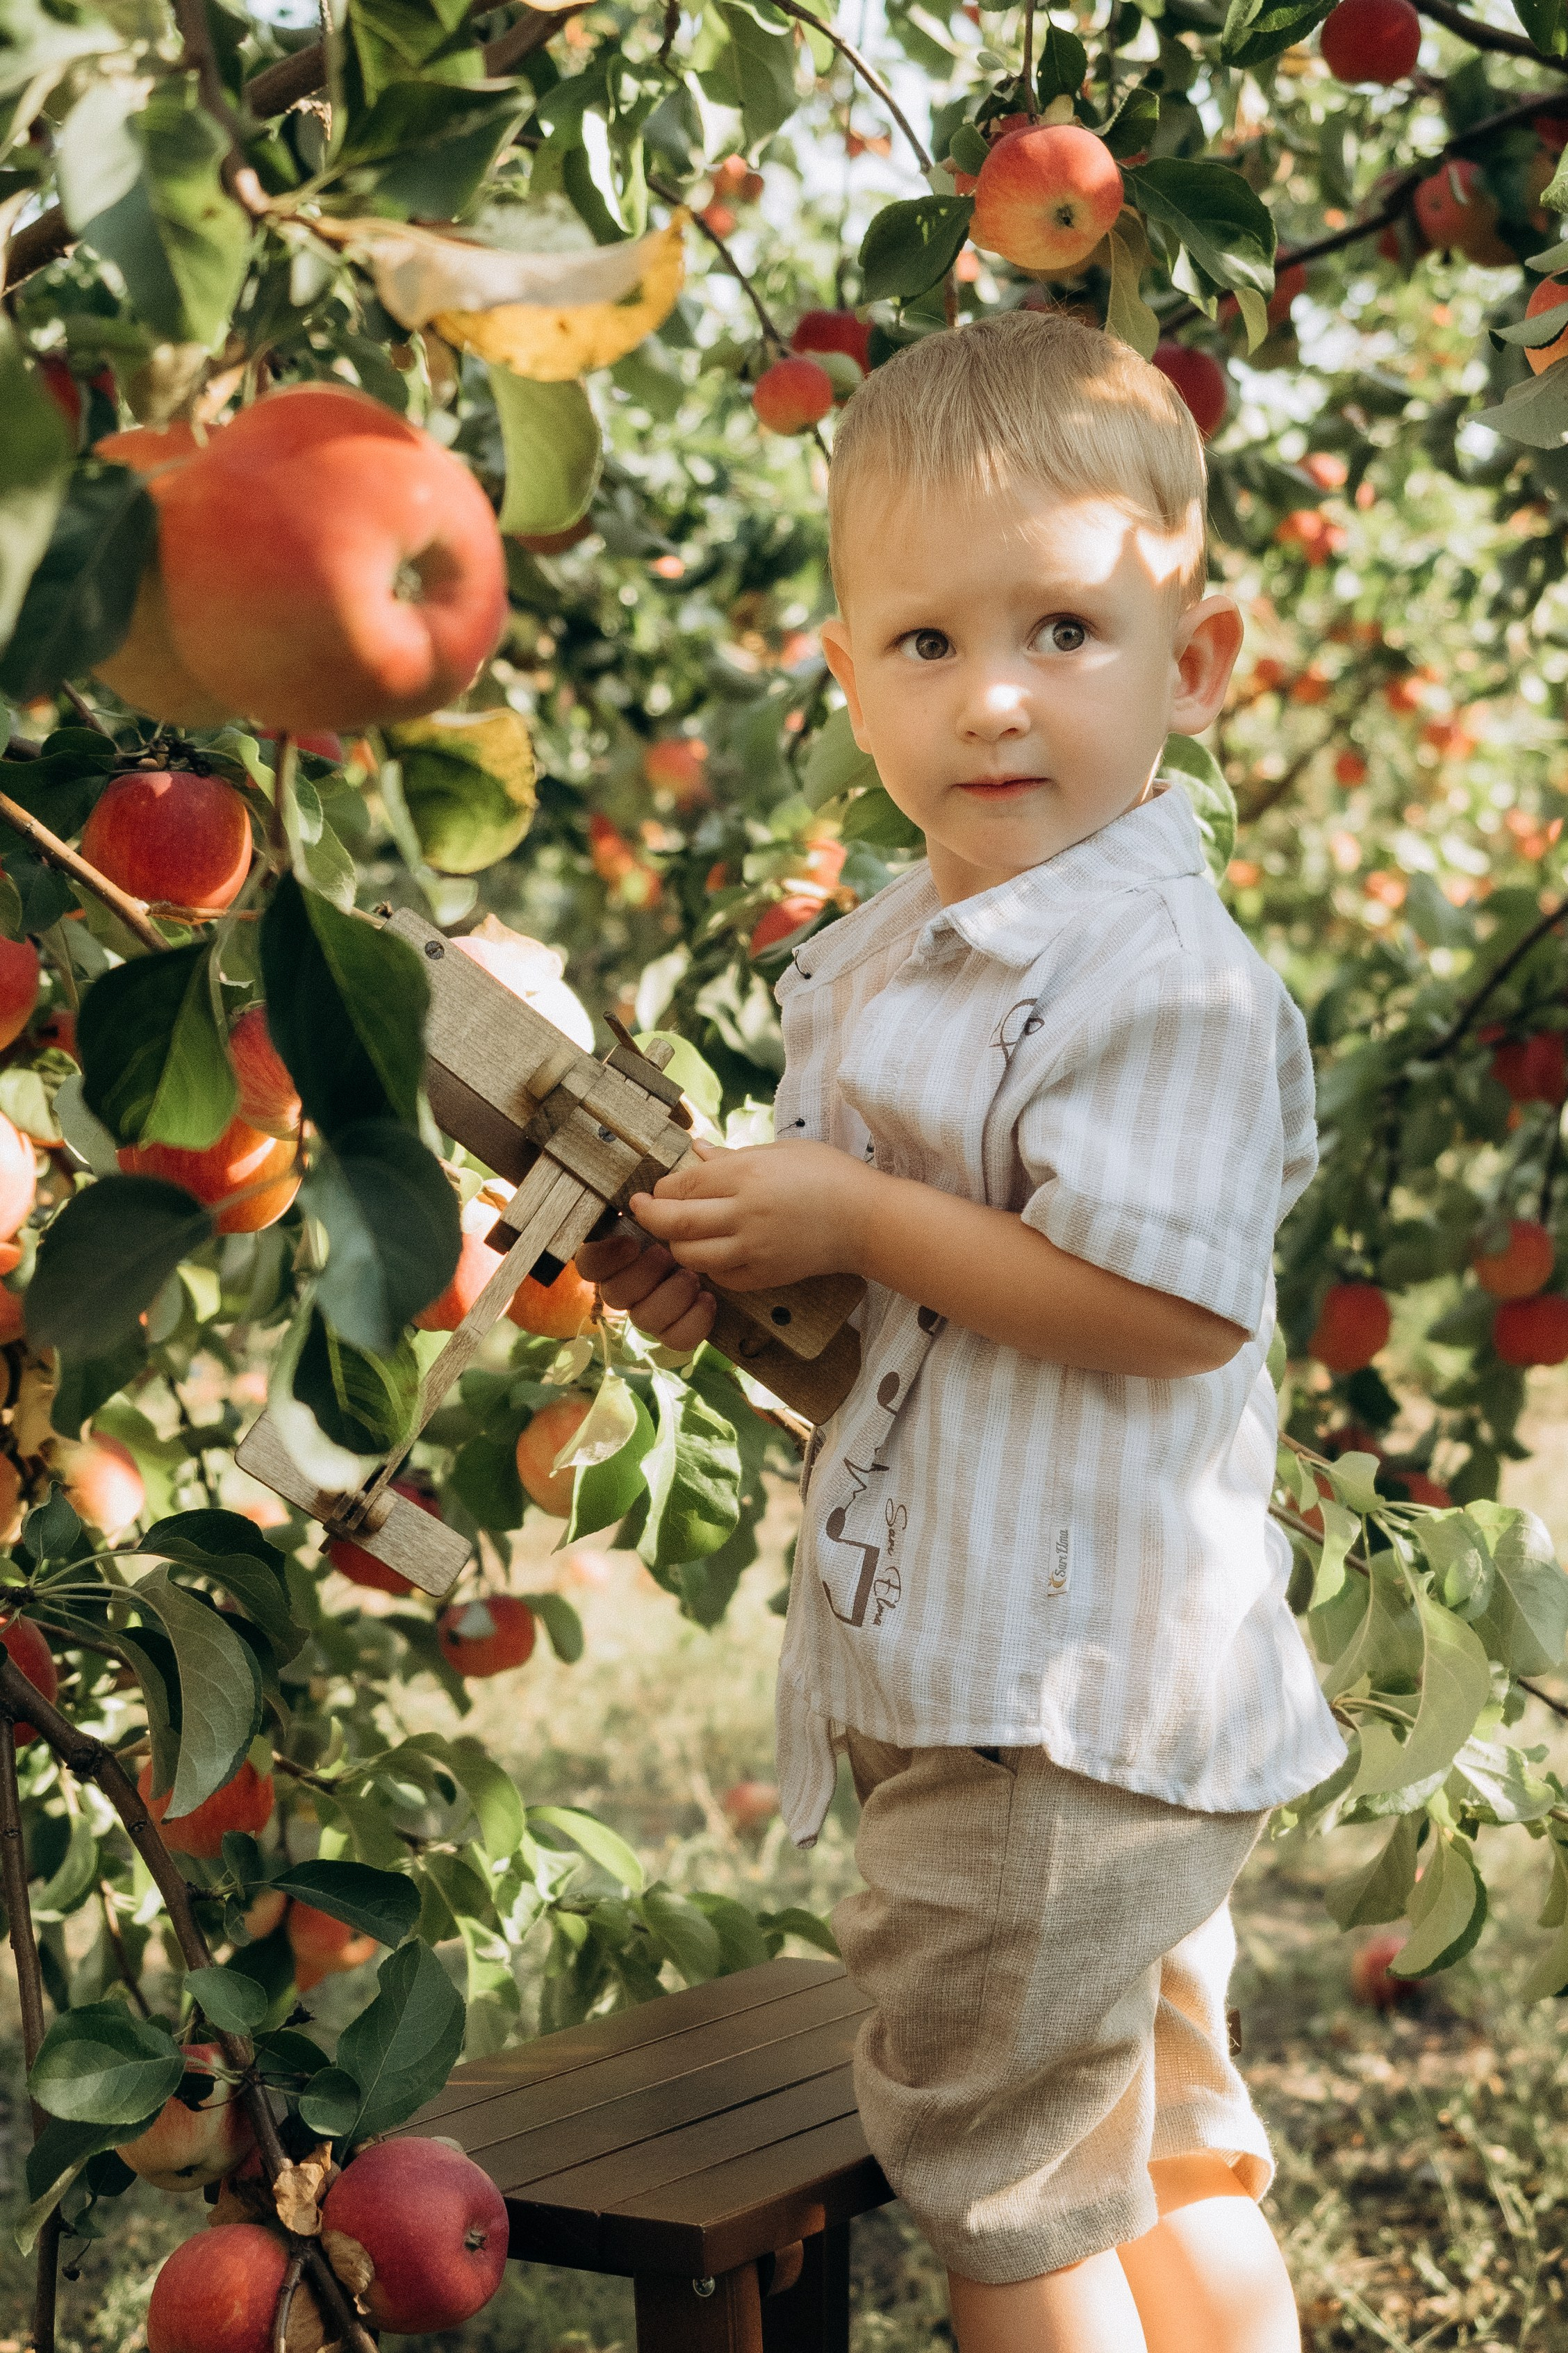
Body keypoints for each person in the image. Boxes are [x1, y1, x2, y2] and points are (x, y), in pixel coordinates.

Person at [575, 309, 1345, 2353]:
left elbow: (1169, 1312)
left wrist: (852, 1210)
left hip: (1056, 1704)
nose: (992, 696)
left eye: (1063, 631)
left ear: (1199, 657)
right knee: (1152, 2147)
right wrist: (736, 1276)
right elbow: (888, 1331)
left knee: (1001, 2179)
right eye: (925, 641)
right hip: (1023, 1682)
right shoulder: (885, 966)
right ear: (848, 678)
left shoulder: (1161, 975)